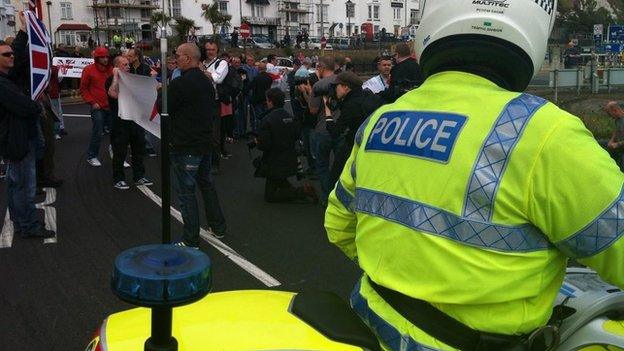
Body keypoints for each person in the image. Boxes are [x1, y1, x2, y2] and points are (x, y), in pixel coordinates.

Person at [325, 1, 624, 350]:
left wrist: (404, 274)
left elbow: (339, 225)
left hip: (368, 322)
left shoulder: (381, 120)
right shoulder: (544, 134)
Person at [169, 43, 227, 246]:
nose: (175, 59)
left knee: (187, 192)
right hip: (204, 142)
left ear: (187, 58)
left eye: (177, 55)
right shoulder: (206, 82)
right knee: (207, 185)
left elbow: (163, 108)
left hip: (186, 144)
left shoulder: (179, 84)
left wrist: (162, 92)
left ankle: (191, 238)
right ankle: (218, 226)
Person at [0, 29, 54, 239]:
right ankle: (29, 225)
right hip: (17, 139)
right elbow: (25, 107)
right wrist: (35, 106)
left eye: (11, 53)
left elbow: (21, 58)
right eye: (6, 54)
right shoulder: (2, 84)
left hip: (16, 137)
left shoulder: (7, 77)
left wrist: (23, 31)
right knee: (24, 185)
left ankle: (21, 222)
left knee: (16, 184)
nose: (12, 55)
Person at [255, 88, 317, 203]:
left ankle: (302, 191)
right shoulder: (290, 117)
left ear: (270, 101)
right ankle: (299, 190)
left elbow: (264, 145)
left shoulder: (266, 119)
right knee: (277, 181)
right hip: (290, 157)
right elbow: (297, 135)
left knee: (270, 196)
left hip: (274, 160)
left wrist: (257, 141)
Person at [325, 71, 380, 189]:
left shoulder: (351, 105)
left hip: (354, 146)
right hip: (372, 147)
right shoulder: (367, 96)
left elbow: (335, 132)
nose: (335, 90)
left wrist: (328, 113)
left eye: (337, 86)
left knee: (336, 176)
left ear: (345, 87)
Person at [106, 55, 153, 190]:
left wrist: (153, 78)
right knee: (119, 151)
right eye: (124, 65)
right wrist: (115, 76)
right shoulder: (110, 80)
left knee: (138, 150)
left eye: (128, 65)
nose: (128, 67)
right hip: (119, 122)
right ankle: (118, 178)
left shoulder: (133, 80)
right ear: (116, 67)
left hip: (135, 120)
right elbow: (113, 94)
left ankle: (139, 176)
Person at [301, 56, 340, 203]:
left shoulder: (319, 85)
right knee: (341, 163)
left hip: (323, 128)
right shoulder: (344, 82)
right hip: (341, 127)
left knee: (322, 164)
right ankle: (341, 195)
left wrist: (307, 92)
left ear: (322, 68)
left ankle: (327, 195)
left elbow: (312, 109)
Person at [80, 46, 112, 167]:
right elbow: (83, 88)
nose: (105, 59)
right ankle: (92, 155)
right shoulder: (88, 70)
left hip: (110, 106)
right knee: (97, 132)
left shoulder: (110, 69)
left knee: (115, 132)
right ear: (97, 58)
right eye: (102, 57)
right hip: (97, 107)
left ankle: (115, 152)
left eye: (106, 57)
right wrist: (92, 102)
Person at [203, 40, 229, 173]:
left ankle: (215, 163)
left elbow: (217, 78)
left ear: (217, 51)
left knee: (214, 136)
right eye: (207, 49)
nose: (209, 52)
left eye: (212, 49)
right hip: (200, 103)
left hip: (214, 102)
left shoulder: (222, 63)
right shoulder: (202, 63)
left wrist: (202, 71)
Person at [250, 62, 273, 132]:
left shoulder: (256, 78)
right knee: (266, 116)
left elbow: (253, 89)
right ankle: (266, 131)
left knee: (258, 117)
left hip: (257, 100)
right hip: (266, 100)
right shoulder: (269, 78)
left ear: (259, 68)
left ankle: (258, 132)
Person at [606, 101, 624, 170]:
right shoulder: (617, 120)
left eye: (609, 113)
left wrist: (617, 144)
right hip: (619, 145)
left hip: (621, 146)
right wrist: (611, 141)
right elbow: (616, 131)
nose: (609, 116)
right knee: (599, 143)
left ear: (615, 110)